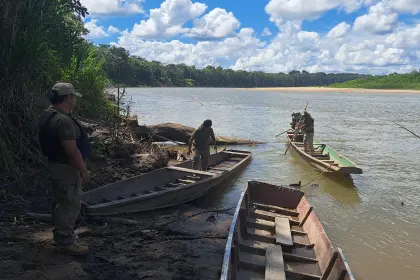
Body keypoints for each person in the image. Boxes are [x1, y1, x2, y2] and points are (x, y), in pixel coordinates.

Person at [37, 82, 91, 255]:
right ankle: (65, 241)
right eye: (73, 97)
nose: (75, 100)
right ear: (67, 98)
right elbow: (72, 151)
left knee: (61, 201)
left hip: (55, 165)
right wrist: (83, 170)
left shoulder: (48, 114)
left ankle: (62, 235)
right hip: (66, 168)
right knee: (70, 203)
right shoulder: (63, 120)